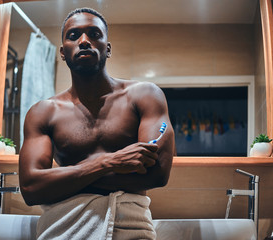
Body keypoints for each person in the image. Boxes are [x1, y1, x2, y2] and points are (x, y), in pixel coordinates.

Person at [19, 7, 175, 240]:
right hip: (66, 228)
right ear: (62, 52)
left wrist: (63, 179)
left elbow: (157, 175)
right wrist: (108, 162)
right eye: (74, 36)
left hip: (130, 228)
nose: (84, 41)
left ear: (107, 48)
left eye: (94, 34)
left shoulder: (144, 95)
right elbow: (31, 189)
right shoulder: (44, 112)